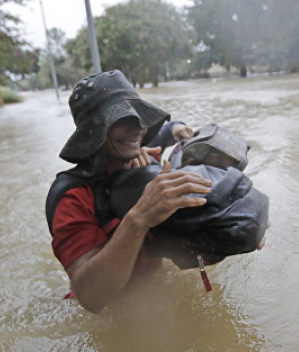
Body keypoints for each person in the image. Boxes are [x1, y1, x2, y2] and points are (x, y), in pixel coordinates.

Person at [46, 70, 264, 313]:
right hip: (114, 310)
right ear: (94, 131)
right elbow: (91, 298)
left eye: (139, 116)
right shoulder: (72, 197)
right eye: (122, 119)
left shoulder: (147, 157)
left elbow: (165, 133)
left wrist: (249, 219)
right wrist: (139, 218)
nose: (138, 128)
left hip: (156, 292)